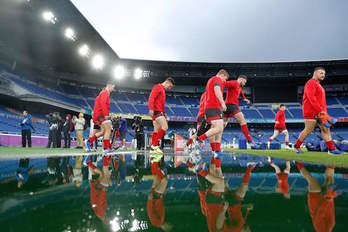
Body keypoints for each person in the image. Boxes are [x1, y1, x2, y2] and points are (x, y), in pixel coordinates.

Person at [294, 67, 341, 155]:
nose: (323, 75)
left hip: (321, 112)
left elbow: (320, 100)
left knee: (326, 129)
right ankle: (297, 146)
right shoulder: (311, 83)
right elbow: (311, 98)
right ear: (315, 73)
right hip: (312, 111)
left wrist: (323, 112)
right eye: (321, 73)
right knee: (308, 130)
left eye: (324, 74)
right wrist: (321, 112)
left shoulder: (318, 84)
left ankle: (332, 149)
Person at [196, 69, 229, 162]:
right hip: (213, 107)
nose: (224, 81)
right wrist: (222, 103)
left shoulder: (211, 80)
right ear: (222, 75)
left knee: (218, 130)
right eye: (225, 79)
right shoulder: (216, 79)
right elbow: (217, 90)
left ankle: (216, 151)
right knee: (219, 128)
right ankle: (200, 139)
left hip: (213, 108)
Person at [296, 163, 336, 232]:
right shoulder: (330, 227)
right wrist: (331, 197)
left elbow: (319, 214)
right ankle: (332, 162)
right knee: (329, 179)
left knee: (310, 178)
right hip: (326, 200)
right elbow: (331, 209)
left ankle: (296, 162)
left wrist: (327, 199)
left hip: (315, 202)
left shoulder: (320, 229)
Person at [148, 77, 175, 159]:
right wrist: (151, 108)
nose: (169, 88)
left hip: (159, 111)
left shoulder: (162, 90)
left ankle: (153, 149)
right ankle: (154, 146)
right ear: (167, 82)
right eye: (170, 86)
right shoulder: (158, 87)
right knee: (165, 127)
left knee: (156, 130)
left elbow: (161, 104)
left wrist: (164, 113)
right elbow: (151, 97)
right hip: (156, 111)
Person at [85, 83, 116, 153]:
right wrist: (106, 115)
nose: (113, 89)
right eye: (113, 87)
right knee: (108, 129)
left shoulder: (102, 93)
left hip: (99, 114)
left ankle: (89, 141)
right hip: (101, 114)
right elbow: (103, 104)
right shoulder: (105, 93)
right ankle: (105, 148)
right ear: (109, 85)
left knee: (103, 132)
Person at [223, 75, 253, 145]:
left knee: (222, 125)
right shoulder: (234, 83)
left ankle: (205, 139)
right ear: (241, 79)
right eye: (244, 82)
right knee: (243, 121)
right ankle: (250, 141)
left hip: (227, 106)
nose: (245, 84)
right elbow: (224, 84)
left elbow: (241, 92)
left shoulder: (239, 87)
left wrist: (244, 98)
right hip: (231, 106)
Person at [147, 158, 172, 231]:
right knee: (156, 177)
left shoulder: (157, 223)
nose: (169, 224)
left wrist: (150, 200)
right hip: (157, 197)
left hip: (156, 197)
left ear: (166, 228)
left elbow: (151, 213)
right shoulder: (161, 221)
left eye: (169, 225)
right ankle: (154, 162)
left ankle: (156, 163)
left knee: (164, 180)